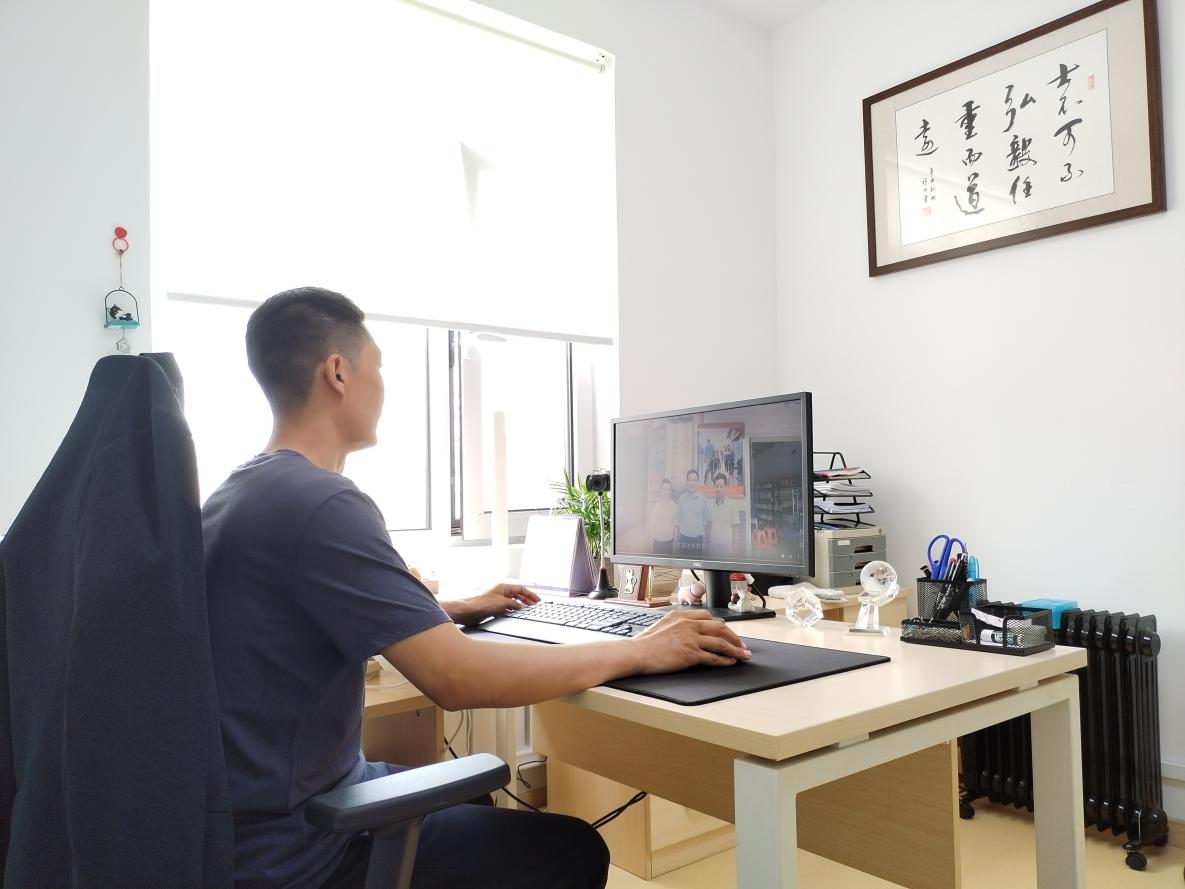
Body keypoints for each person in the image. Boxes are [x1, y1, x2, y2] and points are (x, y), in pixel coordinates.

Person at [201, 287, 750, 889]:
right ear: (338, 372)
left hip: (246, 828)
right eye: (377, 367)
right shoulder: (322, 503)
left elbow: (292, 622)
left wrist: (446, 610)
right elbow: (457, 679)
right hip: (304, 850)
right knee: (572, 850)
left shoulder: (238, 494)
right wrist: (640, 649)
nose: (382, 387)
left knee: (473, 804)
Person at [673, 469, 710, 558]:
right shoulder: (681, 499)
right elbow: (677, 522)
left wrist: (707, 544)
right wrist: (674, 545)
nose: (692, 483)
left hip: (698, 541)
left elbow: (707, 523)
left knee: (697, 564)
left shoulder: (703, 498)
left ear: (698, 482)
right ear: (687, 482)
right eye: (690, 480)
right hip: (683, 540)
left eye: (694, 480)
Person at [706, 472, 741, 556]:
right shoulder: (709, 505)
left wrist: (735, 554)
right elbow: (708, 529)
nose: (719, 489)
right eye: (717, 486)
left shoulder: (732, 505)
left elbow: (736, 532)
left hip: (727, 551)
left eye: (721, 487)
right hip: (713, 550)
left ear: (725, 487)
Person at [647, 478, 678, 555]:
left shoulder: (675, 506)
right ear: (661, 491)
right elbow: (652, 526)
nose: (666, 492)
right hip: (657, 543)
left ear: (671, 490)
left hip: (669, 543)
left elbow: (676, 527)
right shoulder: (656, 506)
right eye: (664, 490)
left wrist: (674, 544)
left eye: (668, 489)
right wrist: (651, 543)